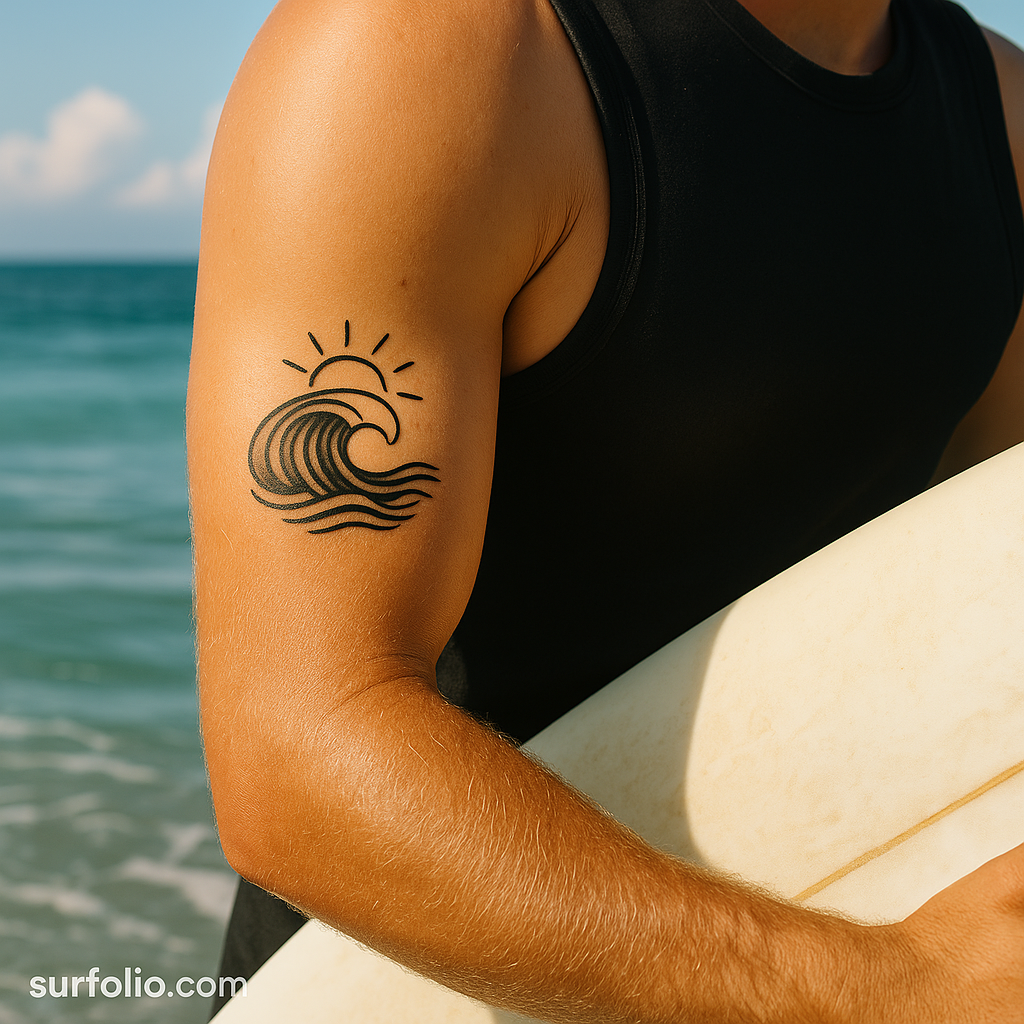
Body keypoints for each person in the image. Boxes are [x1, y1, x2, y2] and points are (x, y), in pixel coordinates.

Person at [187, 0, 1024, 1019]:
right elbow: (299, 756)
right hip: (436, 983)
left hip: (837, 911)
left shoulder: (1001, 110)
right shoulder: (432, 52)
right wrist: (876, 992)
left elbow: (985, 596)